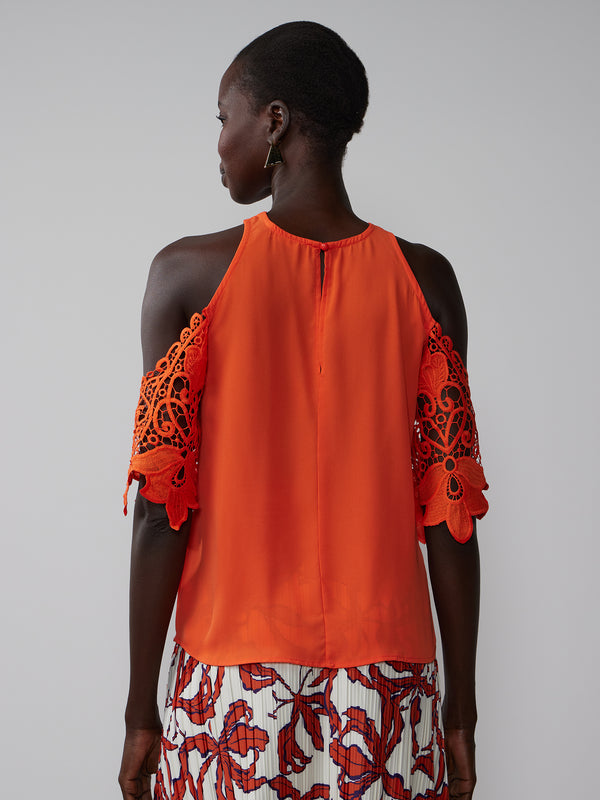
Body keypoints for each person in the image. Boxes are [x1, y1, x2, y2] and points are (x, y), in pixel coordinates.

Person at [118, 21, 488, 800]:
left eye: (225, 116)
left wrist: (139, 711)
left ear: (275, 121)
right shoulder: (427, 283)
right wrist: (461, 712)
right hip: (388, 689)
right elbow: (450, 515)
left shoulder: (187, 277)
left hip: (230, 690)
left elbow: (160, 510)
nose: (220, 140)